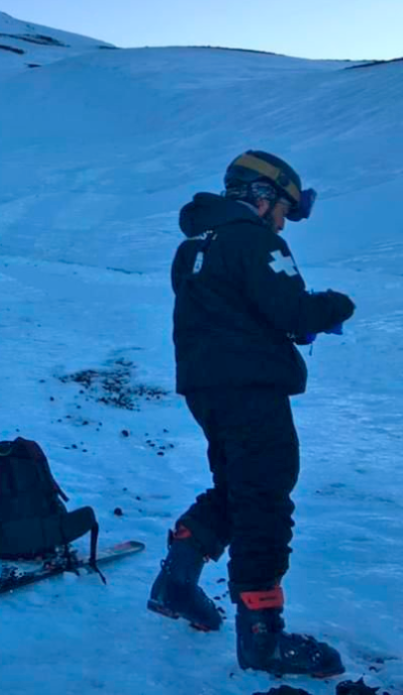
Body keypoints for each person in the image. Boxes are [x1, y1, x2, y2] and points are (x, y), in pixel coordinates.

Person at [150, 150, 355, 678]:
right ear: (262, 198)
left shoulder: (194, 245)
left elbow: (234, 312)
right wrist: (333, 306)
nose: (284, 221)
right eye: (283, 208)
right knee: (264, 498)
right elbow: (292, 311)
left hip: (206, 387)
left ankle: (177, 581)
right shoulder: (255, 240)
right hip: (250, 389)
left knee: (238, 486)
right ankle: (262, 638)